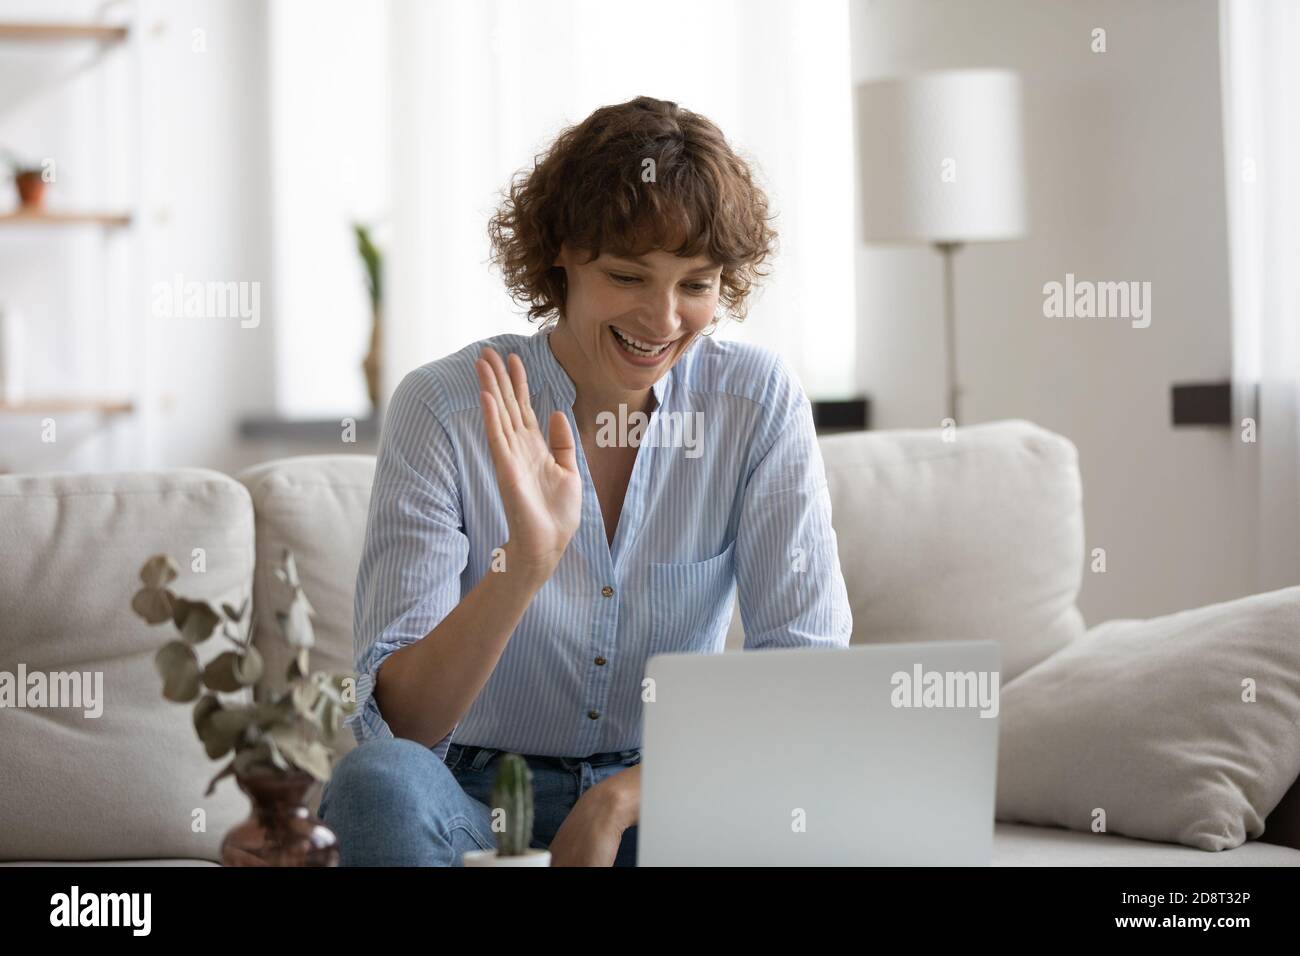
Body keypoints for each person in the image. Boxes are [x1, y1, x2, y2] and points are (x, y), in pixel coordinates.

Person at [319, 95, 852, 866]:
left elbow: (805, 675)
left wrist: (619, 799)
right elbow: (402, 726)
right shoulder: (443, 407)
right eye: (629, 276)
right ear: (562, 254)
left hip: (668, 790)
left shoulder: (756, 404)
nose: (663, 319)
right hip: (470, 789)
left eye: (695, 284)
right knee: (377, 784)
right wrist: (524, 564)